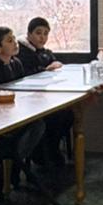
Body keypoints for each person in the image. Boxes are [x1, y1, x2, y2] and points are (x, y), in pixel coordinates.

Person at [0, 27, 45, 180]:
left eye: (14, 38)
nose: (15, 43)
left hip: (16, 110)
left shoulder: (16, 63)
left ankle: (13, 162)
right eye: (9, 41)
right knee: (34, 126)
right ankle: (8, 164)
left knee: (39, 124)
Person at [17, 18, 73, 167]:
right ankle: (42, 153)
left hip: (43, 96)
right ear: (29, 34)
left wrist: (55, 64)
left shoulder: (44, 51)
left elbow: (53, 61)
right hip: (26, 99)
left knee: (67, 114)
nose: (42, 37)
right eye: (38, 33)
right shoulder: (21, 52)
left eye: (46, 34)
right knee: (54, 117)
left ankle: (51, 149)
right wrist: (46, 69)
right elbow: (24, 74)